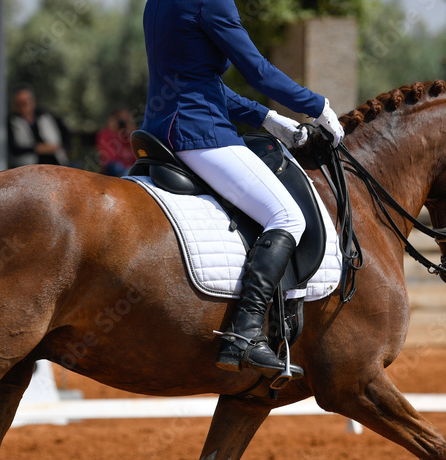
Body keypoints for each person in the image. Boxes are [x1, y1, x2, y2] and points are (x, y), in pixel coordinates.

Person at [141, 0, 344, 378]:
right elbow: (258, 71)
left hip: (160, 127)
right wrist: (316, 107)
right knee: (287, 216)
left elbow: (197, 79)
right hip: (199, 132)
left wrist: (265, 116)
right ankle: (245, 333)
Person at [7, 85, 69, 167]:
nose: (25, 105)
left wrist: (64, 148)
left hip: (56, 163)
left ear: (33, 101)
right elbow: (13, 149)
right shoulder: (11, 121)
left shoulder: (46, 115)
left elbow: (66, 133)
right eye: (21, 103)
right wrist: (37, 148)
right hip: (27, 167)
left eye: (27, 101)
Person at [96, 109, 137, 176]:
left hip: (127, 166)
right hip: (112, 166)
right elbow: (109, 155)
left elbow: (134, 153)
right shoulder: (104, 134)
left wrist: (131, 129)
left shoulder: (123, 133)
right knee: (121, 169)